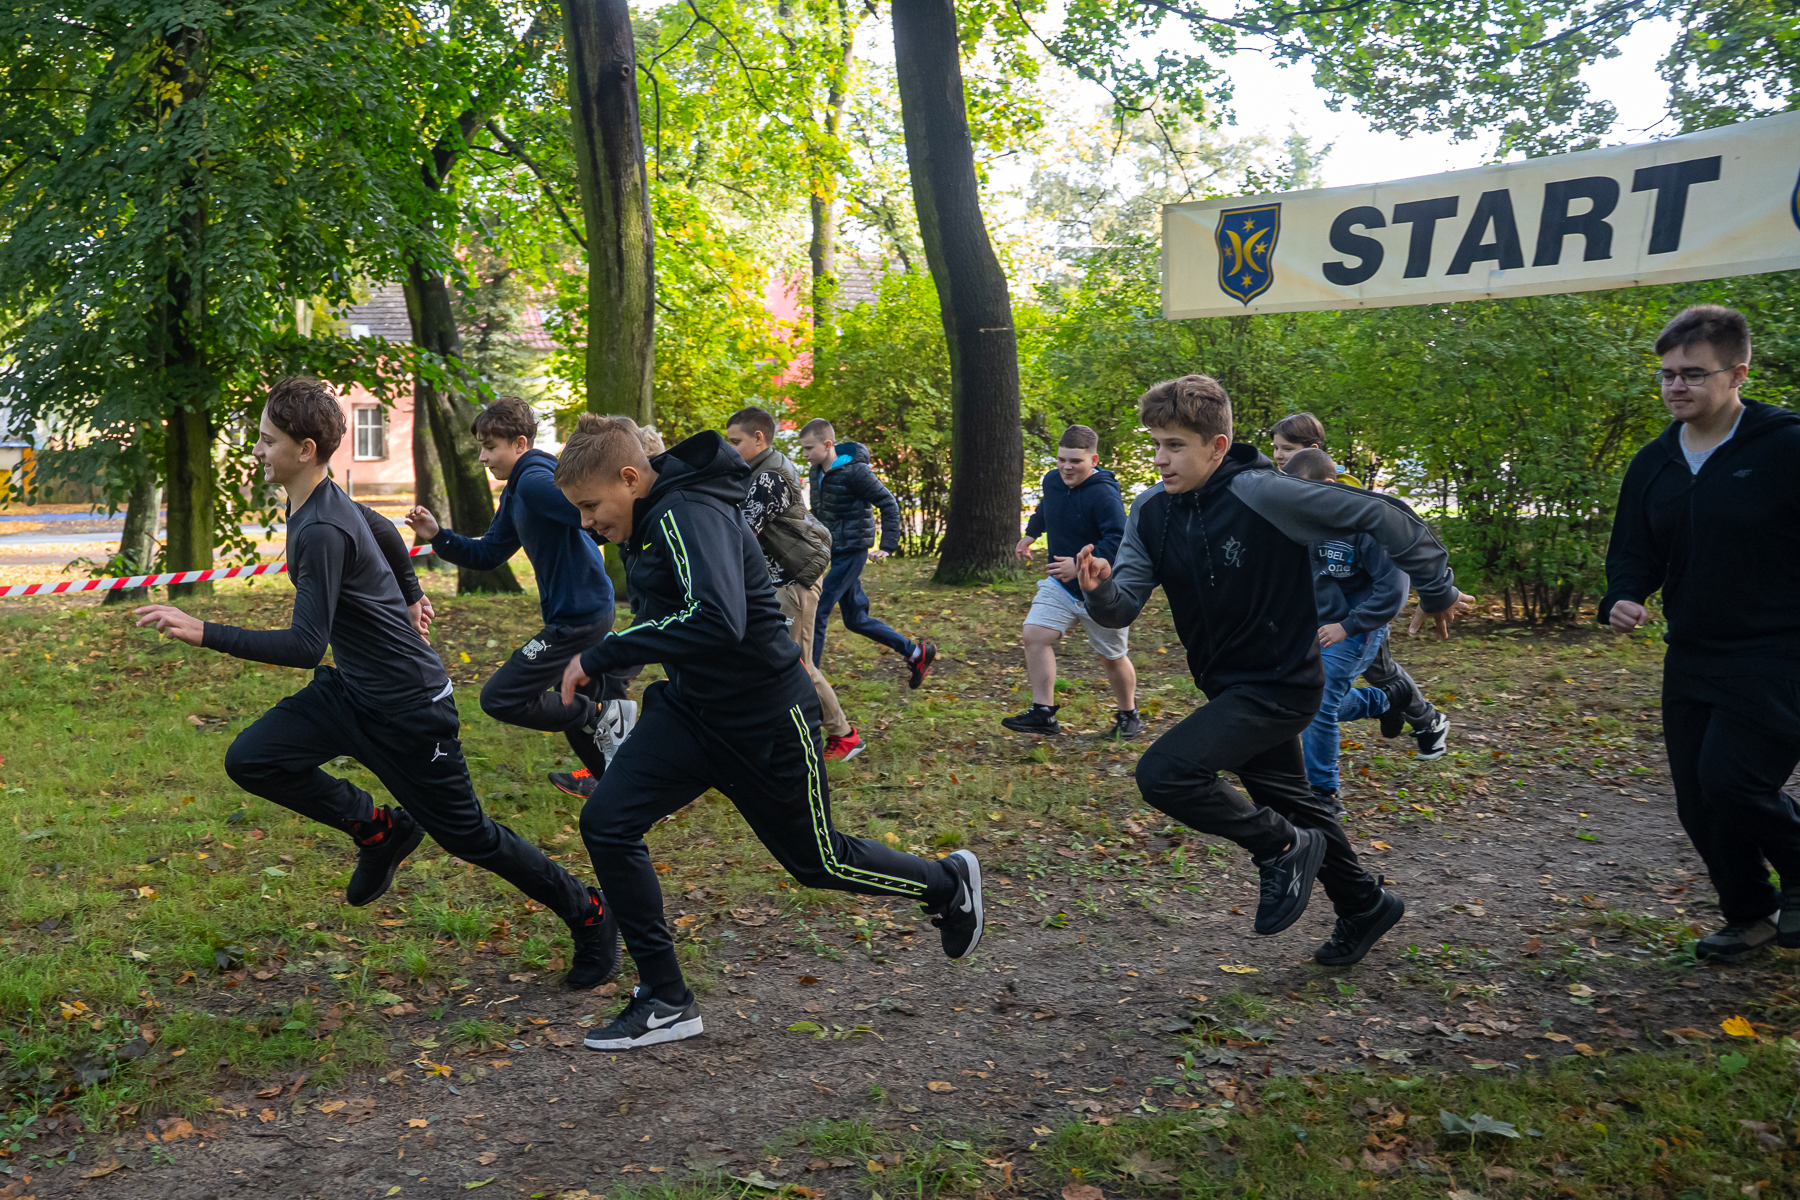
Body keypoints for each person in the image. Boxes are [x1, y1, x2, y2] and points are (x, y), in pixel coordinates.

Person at [134, 378, 620, 989]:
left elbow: (305, 645)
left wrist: (204, 630)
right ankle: (379, 829)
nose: (257, 449)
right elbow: (385, 529)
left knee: (470, 837)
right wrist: (412, 594)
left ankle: (589, 911)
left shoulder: (320, 528)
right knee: (253, 759)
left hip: (411, 710)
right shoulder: (320, 501)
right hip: (353, 691)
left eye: (267, 440)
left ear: (306, 449)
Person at [551, 415, 983, 1050]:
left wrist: (602, 654)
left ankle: (946, 883)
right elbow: (669, 617)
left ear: (629, 478)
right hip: (692, 713)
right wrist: (614, 666)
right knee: (608, 822)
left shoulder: (687, 513)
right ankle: (666, 998)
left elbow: (717, 619)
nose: (588, 522)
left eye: (591, 506)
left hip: (765, 719)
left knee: (818, 861)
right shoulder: (652, 521)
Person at [1077, 375, 1473, 966]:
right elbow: (1124, 603)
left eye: (1175, 445)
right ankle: (1364, 903)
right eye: (1156, 444)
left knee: (1164, 774)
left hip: (1283, 683)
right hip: (1226, 685)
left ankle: (1282, 848)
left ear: (1217, 445)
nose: (1160, 459)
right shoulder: (1151, 511)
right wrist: (1100, 592)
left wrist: (1437, 589)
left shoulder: (1265, 492)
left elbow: (1382, 515)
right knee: (1297, 805)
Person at [1601, 304, 1800, 962]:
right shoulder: (1655, 463)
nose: (1676, 387)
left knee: (1733, 781)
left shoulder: (1784, 446)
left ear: (1737, 374)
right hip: (1692, 652)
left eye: (1692, 374)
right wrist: (1624, 596)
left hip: (1778, 649)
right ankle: (1750, 915)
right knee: (1698, 801)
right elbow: (1634, 551)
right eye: (1667, 375)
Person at [404, 396, 636, 802]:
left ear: (520, 443)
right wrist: (438, 535)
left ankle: (607, 718)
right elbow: (488, 554)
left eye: (490, 447)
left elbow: (592, 517)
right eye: (481, 447)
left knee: (502, 697)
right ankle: (622, 786)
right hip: (582, 610)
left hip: (578, 616)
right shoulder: (517, 491)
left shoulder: (533, 481)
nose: (482, 457)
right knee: (572, 696)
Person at [1282, 449, 1447, 815]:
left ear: (1328, 486)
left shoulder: (1368, 522)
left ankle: (1323, 794)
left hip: (1358, 629)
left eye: (1299, 493)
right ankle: (1386, 699)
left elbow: (1393, 591)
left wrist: (1348, 626)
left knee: (1319, 701)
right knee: (1294, 699)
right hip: (1314, 626)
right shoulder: (1301, 520)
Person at [724, 406, 864, 760]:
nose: (730, 449)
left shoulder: (769, 477)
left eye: (735, 442)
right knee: (769, 662)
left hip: (792, 580)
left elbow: (742, 531)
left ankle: (844, 735)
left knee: (797, 666)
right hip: (773, 582)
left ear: (758, 438)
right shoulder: (753, 470)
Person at [1005, 425, 1142, 739]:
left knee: (1112, 657)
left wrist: (1081, 565)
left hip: (1100, 590)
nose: (1066, 467)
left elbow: (1119, 539)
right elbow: (1046, 508)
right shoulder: (1052, 480)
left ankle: (1129, 714)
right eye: (1061, 459)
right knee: (1034, 634)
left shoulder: (1103, 493)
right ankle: (1043, 712)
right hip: (1061, 585)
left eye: (1076, 461)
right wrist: (1031, 534)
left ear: (1094, 460)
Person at [796, 418, 936, 688]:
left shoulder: (855, 472)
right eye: (804, 448)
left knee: (818, 610)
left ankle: (808, 683)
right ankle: (915, 653)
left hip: (853, 550)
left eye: (809, 448)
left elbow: (888, 503)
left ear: (827, 444)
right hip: (833, 549)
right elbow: (822, 512)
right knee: (856, 619)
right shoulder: (816, 472)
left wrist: (887, 546)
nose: (805, 454)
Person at [1270, 412, 1366, 489]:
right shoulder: (1273, 482)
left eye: (1288, 449)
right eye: (1276, 448)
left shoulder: (1345, 487)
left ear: (1312, 450)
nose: (1278, 456)